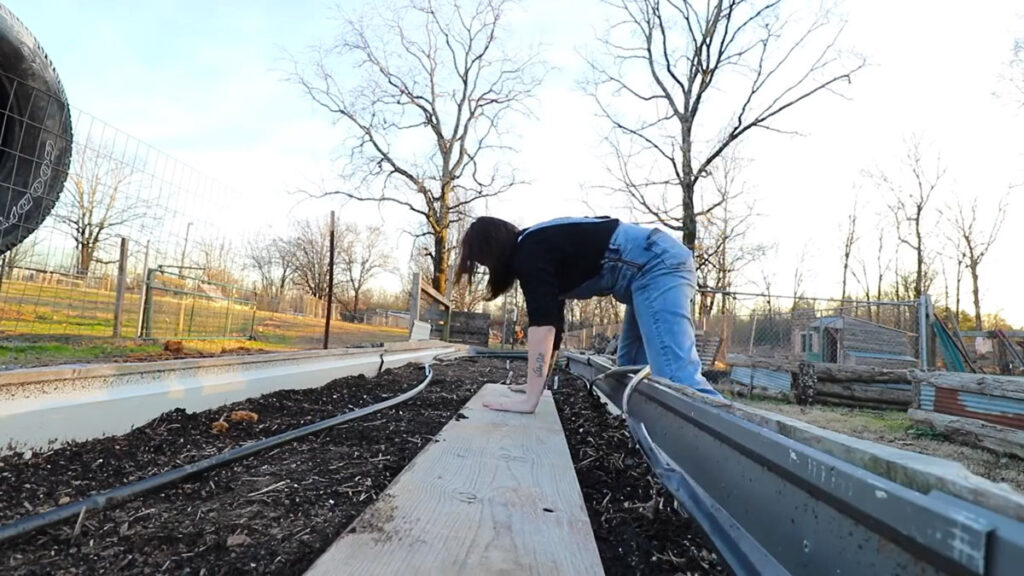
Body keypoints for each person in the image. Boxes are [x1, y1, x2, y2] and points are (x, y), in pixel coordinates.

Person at [455, 216, 722, 414]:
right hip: (646, 269)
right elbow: (554, 326)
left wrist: (530, 401)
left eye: (483, 262)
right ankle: (652, 443)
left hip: (656, 265)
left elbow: (543, 326)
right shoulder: (536, 246)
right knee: (631, 371)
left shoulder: (529, 253)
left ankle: (736, 442)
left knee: (676, 378)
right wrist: (536, 383)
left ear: (492, 250)